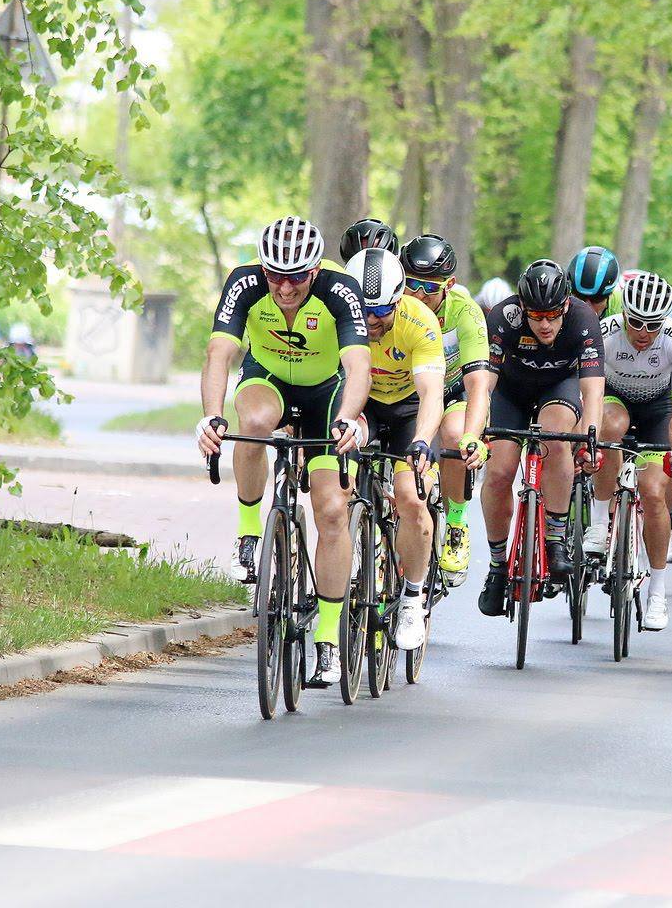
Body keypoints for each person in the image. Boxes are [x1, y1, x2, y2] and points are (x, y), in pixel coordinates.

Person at [196, 216, 370, 687]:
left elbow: (358, 365)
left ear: (314, 271)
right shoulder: (246, 281)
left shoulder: (341, 289)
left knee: (332, 511)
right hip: (267, 379)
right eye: (275, 276)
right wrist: (212, 416)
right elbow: (219, 354)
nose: (284, 287)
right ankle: (250, 533)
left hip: (326, 394)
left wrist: (349, 419)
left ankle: (329, 638)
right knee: (250, 424)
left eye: (295, 277)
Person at [476, 260, 606, 617]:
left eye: (552, 315)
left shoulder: (583, 319)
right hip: (510, 391)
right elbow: (485, 381)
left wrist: (590, 437)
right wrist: (478, 426)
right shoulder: (504, 317)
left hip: (557, 388)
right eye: (536, 316)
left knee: (556, 436)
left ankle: (555, 539)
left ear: (565, 306)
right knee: (500, 471)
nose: (545, 324)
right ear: (522, 308)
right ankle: (497, 566)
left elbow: (593, 391)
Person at [344, 248, 447, 652]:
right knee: (337, 485)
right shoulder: (339, 315)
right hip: (362, 405)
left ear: (400, 298)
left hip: (408, 411)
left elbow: (431, 393)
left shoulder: (418, 321)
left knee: (410, 497)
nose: (371, 321)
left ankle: (411, 598)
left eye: (382, 311)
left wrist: (422, 440)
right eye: (364, 311)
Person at [584, 271, 672, 631]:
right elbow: (591, 394)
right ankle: (600, 522)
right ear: (623, 313)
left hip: (659, 409)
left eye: (652, 325)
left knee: (653, 494)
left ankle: (657, 593)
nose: (644, 332)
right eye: (636, 322)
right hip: (614, 399)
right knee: (607, 427)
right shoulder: (607, 333)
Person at [398, 234, 491, 580]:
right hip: (405, 391)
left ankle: (455, 522)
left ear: (449, 285)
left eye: (429, 288)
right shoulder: (394, 304)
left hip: (451, 391)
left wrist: (472, 436)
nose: (419, 295)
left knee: (454, 434)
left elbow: (478, 383)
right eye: (411, 285)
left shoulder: (465, 312)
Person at [566, 245, 623, 318]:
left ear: (610, 294)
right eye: (580, 298)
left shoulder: (621, 309)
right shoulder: (561, 301)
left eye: (596, 300)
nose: (588, 308)